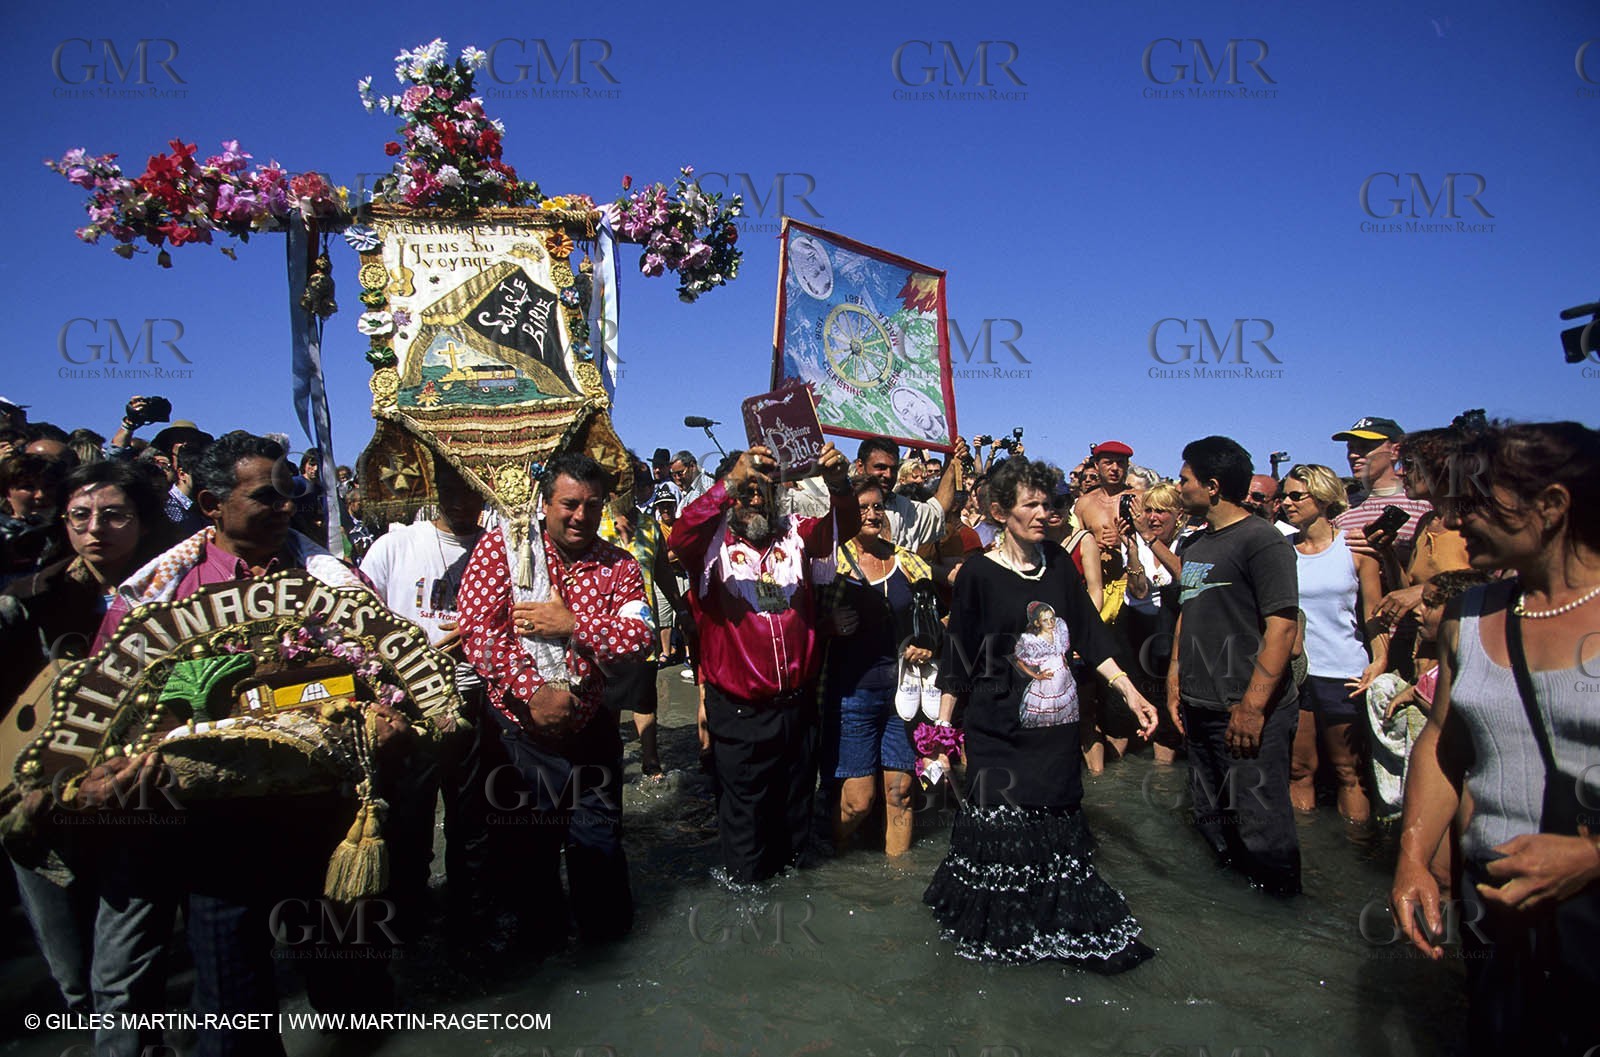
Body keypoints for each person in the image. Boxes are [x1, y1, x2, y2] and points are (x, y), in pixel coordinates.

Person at [94, 430, 397, 1057]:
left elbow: (387, 669)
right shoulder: (157, 593)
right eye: (267, 496)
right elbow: (112, 705)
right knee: (232, 1006)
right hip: (212, 830)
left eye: (291, 492)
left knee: (353, 993)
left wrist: (378, 710)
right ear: (210, 503)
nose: (286, 505)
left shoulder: (333, 578)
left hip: (327, 821)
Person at [1391, 420, 1600, 1057]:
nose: (1455, 525)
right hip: (1496, 906)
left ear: (1553, 506)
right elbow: (1443, 741)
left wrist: (1590, 858)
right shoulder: (1470, 610)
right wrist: (1413, 855)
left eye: (1477, 504)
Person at [923, 455, 1159, 966]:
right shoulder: (979, 574)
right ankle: (1007, 934)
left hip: (1055, 729)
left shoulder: (1059, 564)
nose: (1041, 512)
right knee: (1005, 834)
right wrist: (942, 731)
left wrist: (1130, 691)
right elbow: (958, 652)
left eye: (1046, 503)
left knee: (1055, 832)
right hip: (997, 731)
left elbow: (1093, 635)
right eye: (1029, 504)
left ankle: (1058, 932)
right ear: (999, 510)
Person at [1, 459, 174, 1057]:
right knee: (72, 979)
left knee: (122, 982)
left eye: (112, 514)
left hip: (134, 803)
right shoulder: (30, 601)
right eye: (80, 516)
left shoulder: (179, 594)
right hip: (36, 810)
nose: (94, 528)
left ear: (143, 521)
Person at [458, 452, 653, 947]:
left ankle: (609, 965)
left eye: (592, 505)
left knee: (601, 854)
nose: (580, 516)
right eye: (569, 504)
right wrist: (532, 692)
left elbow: (639, 638)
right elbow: (480, 632)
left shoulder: (619, 566)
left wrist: (573, 626)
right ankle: (539, 963)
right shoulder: (503, 551)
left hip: (592, 731)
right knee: (526, 861)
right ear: (545, 503)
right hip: (520, 738)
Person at [668, 441, 857, 883]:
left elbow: (843, 526)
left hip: (797, 708)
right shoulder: (709, 543)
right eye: (747, 490)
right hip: (738, 713)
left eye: (765, 490)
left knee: (795, 816)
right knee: (745, 824)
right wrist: (733, 476)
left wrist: (839, 484)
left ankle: (791, 911)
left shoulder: (797, 533)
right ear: (731, 492)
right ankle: (747, 915)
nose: (756, 499)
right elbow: (679, 534)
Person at [359, 455, 491, 941]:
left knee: (473, 820)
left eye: (473, 488)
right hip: (408, 708)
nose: (462, 498)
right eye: (452, 487)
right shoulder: (395, 545)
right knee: (407, 821)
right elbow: (353, 620)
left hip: (477, 702)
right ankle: (407, 925)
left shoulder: (496, 549)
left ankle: (470, 921)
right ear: (435, 488)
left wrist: (480, 633)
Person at [1167, 436, 1302, 895]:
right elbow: (1188, 615)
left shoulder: (1263, 542)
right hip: (1199, 704)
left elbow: (1282, 627)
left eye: (1184, 479)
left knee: (1261, 826)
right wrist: (1173, 679)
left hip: (1243, 710)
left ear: (1212, 485)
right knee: (1211, 821)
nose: (1178, 487)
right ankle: (1229, 910)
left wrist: (1252, 707)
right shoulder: (1196, 544)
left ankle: (1282, 917)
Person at [819, 479, 935, 856]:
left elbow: (934, 618)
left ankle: (900, 890)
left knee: (900, 794)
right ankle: (829, 855)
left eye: (877, 507)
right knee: (858, 802)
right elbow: (802, 620)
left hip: (902, 694)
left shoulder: (909, 561)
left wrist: (927, 643)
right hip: (851, 693)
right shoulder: (829, 562)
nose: (871, 514)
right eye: (862, 507)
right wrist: (828, 620)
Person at [1278, 463, 1387, 823]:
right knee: (1298, 768)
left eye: (1297, 496)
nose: (1287, 503)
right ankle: (1306, 858)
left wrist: (1380, 661)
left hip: (1344, 671)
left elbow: (1374, 614)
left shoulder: (1356, 549)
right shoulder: (1282, 552)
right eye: (1284, 496)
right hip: (1296, 674)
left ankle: (1356, 855)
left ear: (1323, 498)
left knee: (1348, 773)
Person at [852, 435, 969, 552]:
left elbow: (938, 511)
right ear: (860, 466)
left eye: (893, 469)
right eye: (880, 467)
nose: (888, 475)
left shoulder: (905, 508)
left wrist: (951, 461)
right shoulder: (842, 506)